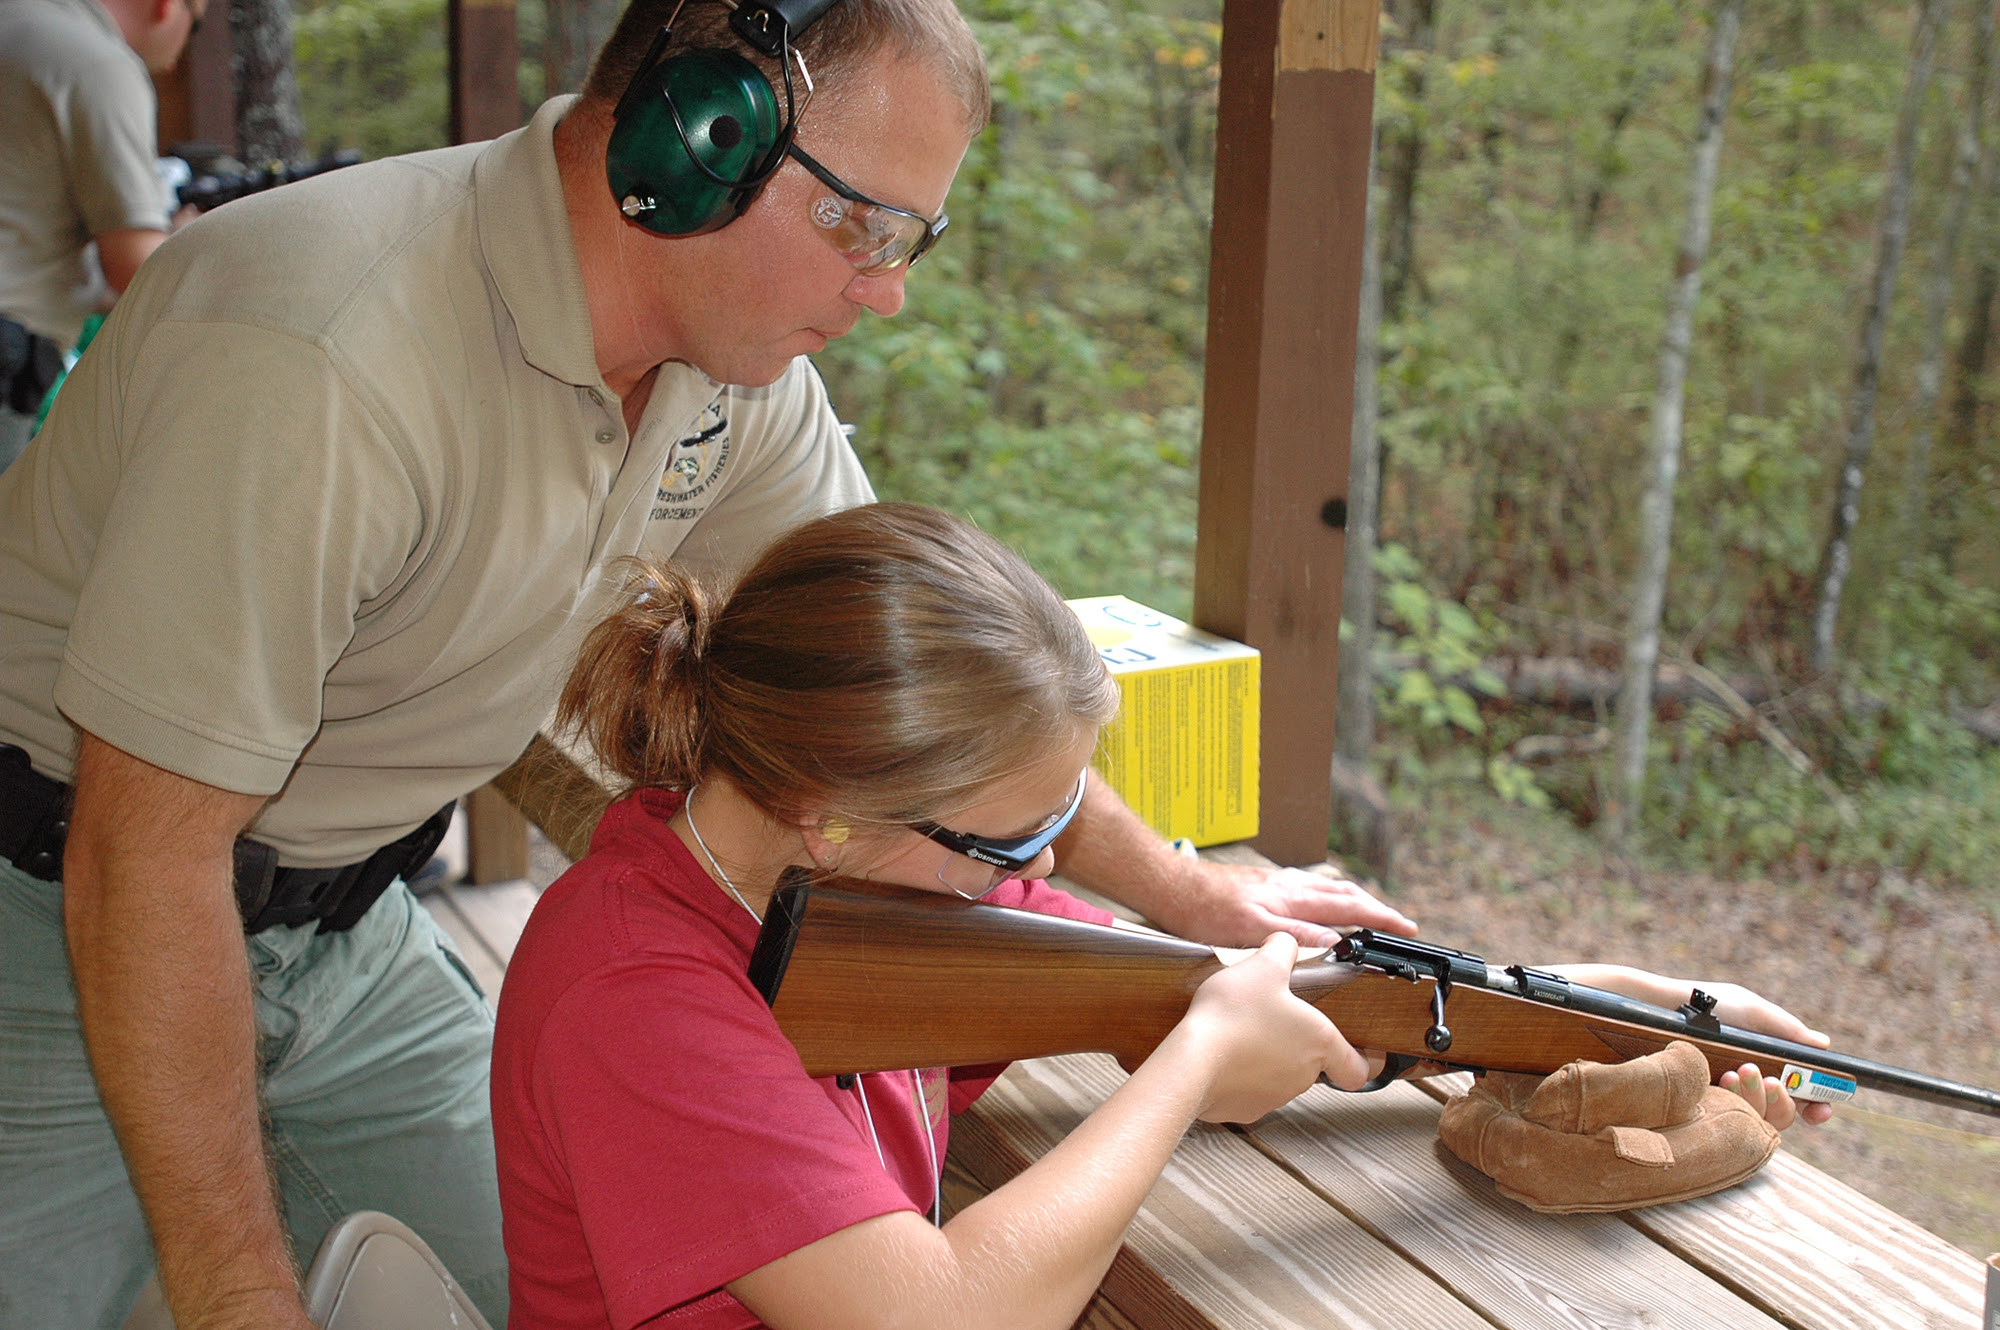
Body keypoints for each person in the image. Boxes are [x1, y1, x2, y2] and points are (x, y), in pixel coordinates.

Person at [0, 1, 1411, 1327]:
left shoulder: (733, 379)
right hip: (60, 907)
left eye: (914, 236)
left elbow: (941, 711)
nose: (888, 292)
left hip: (344, 920)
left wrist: (1204, 905)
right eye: (862, 222)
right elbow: (146, 863)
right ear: (696, 137)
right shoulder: (325, 358)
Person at [490, 502, 1831, 1330]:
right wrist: (1194, 1060)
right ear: (833, 812)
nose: (1041, 865)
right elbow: (940, 1315)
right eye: (1015, 836)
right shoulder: (638, 992)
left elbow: (1252, 985)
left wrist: (1605, 1004)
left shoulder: (856, 883)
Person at [0, 0, 201, 474]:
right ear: (168, 7)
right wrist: (190, 242)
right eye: (199, 25)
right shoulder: (98, 65)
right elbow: (140, 273)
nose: (179, 56)